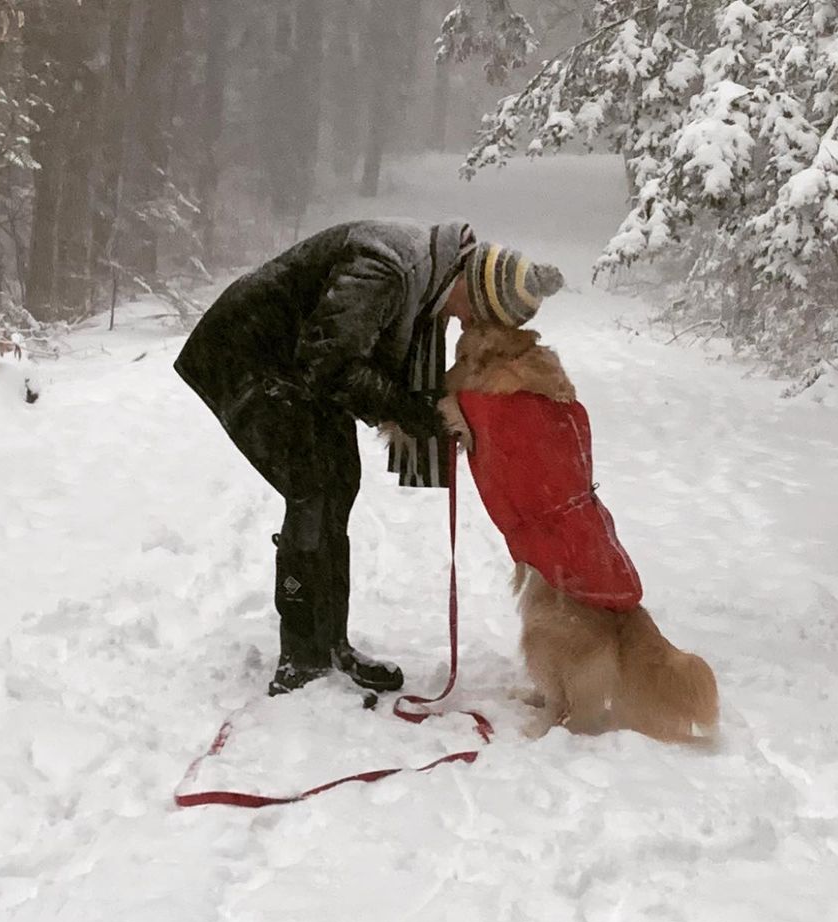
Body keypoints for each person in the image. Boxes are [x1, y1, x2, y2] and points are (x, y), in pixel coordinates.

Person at [173, 220, 563, 697]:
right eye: (475, 316)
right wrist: (411, 410)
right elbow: (329, 363)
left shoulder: (429, 271)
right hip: (245, 357)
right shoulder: (387, 269)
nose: (464, 325)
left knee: (340, 482)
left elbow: (333, 360)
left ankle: (331, 643)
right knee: (313, 489)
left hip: (294, 363)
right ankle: (301, 658)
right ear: (472, 288)